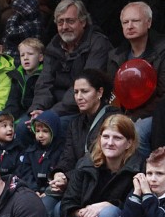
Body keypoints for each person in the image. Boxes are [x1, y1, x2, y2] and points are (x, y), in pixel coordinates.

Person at [108, 1, 165, 157]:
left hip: (157, 117)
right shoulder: (115, 56)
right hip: (123, 114)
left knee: (136, 132)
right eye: (125, 22)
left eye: (135, 21)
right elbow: (113, 94)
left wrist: (133, 117)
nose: (130, 26)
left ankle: (142, 171)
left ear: (148, 23)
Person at [27, 0, 113, 119]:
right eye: (60, 22)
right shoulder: (54, 45)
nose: (64, 27)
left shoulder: (98, 43)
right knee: (22, 126)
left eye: (70, 21)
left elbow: (86, 87)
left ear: (83, 22)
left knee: (51, 126)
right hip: (51, 110)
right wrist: (37, 108)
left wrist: (51, 114)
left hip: (81, 111)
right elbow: (44, 83)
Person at [48, 69, 120, 197]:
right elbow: (68, 157)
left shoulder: (113, 119)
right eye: (76, 92)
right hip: (74, 183)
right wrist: (59, 173)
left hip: (98, 186)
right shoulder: (75, 123)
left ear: (100, 92)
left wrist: (67, 178)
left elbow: (99, 161)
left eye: (85, 91)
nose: (79, 97)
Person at [4, 37, 43, 121]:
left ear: (40, 57)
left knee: (21, 126)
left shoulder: (43, 75)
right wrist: (8, 116)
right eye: (22, 55)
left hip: (34, 113)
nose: (25, 58)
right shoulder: (17, 76)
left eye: (30, 54)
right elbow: (12, 101)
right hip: (19, 112)